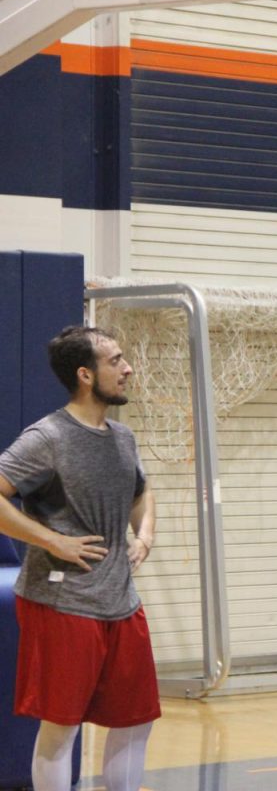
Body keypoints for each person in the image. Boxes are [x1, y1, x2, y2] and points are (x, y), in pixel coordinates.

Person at [0, 325, 159, 791]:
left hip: (121, 601)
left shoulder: (123, 438)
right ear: (85, 375)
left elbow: (142, 491)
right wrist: (53, 541)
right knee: (61, 725)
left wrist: (144, 533)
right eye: (116, 361)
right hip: (62, 602)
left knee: (135, 720)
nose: (128, 368)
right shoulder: (47, 437)